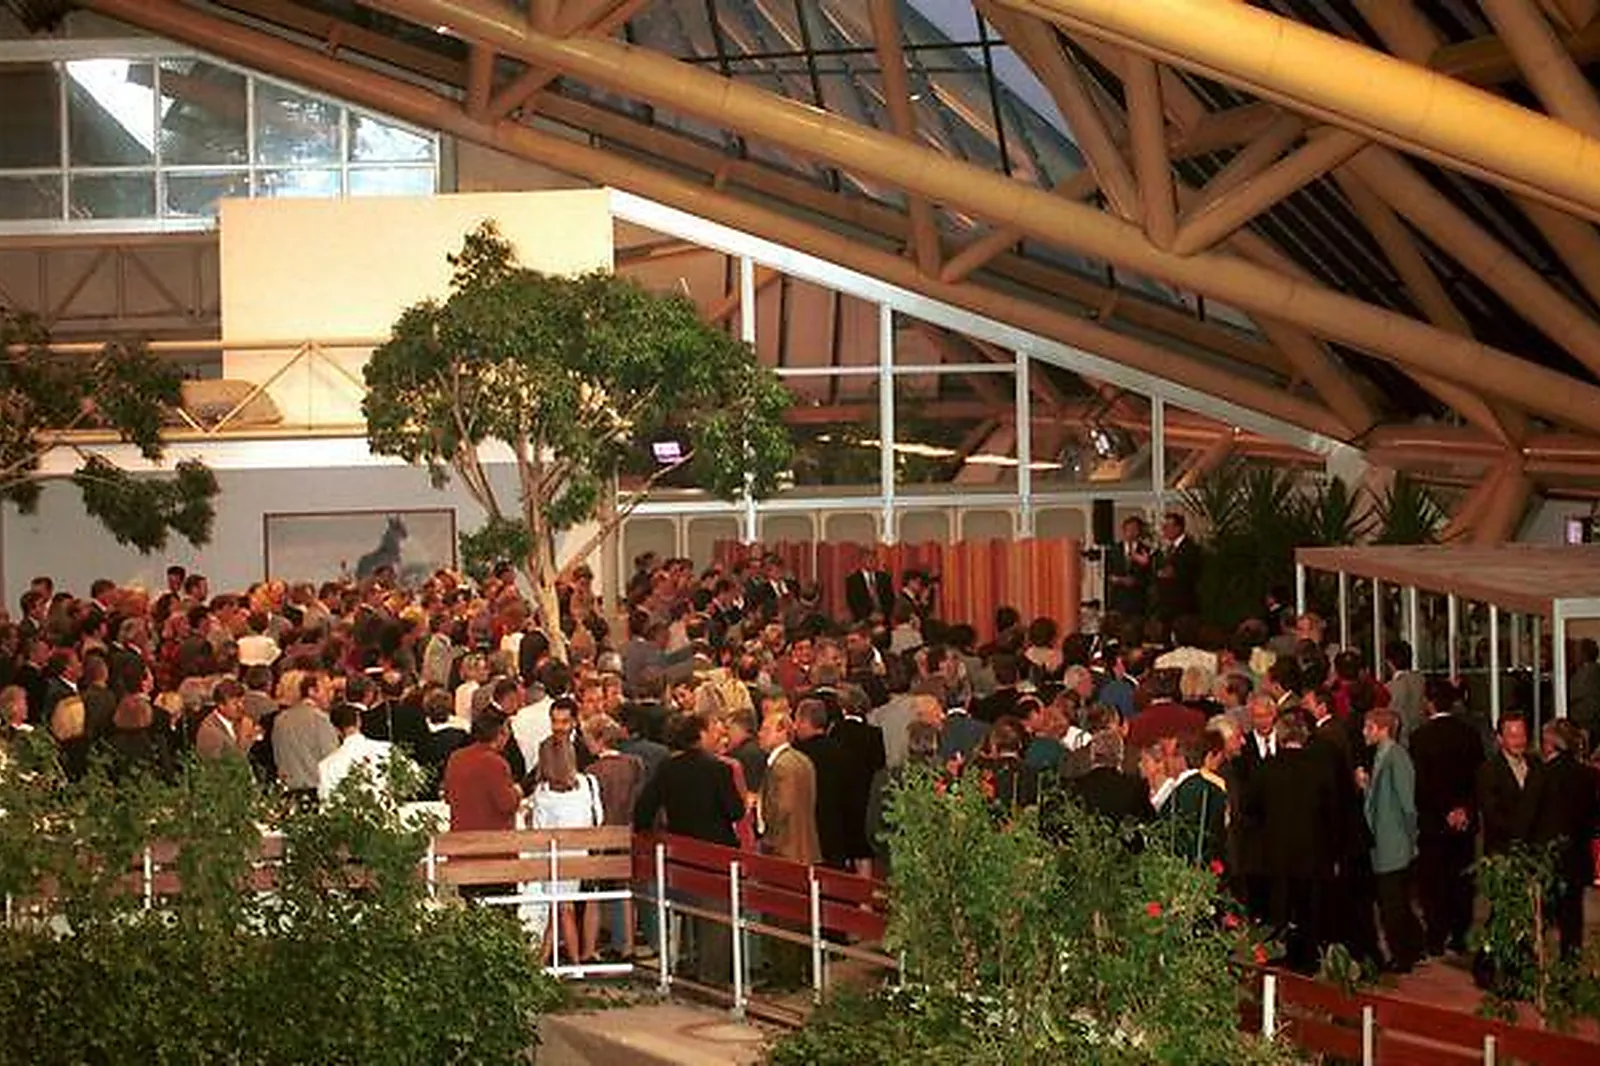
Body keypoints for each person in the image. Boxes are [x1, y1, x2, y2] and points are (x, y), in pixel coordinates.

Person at [633, 711, 744, 984]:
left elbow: (644, 808)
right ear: (700, 734)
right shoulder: (719, 769)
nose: (718, 734)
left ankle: (689, 963)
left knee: (687, 911)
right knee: (717, 917)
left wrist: (648, 833)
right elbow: (735, 811)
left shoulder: (668, 768)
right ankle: (713, 977)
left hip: (681, 854)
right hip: (717, 855)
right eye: (713, 729)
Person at [1246, 711, 1342, 973]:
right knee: (1310, 908)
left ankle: (1286, 954)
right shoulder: (1322, 768)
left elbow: (1251, 810)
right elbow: (1333, 812)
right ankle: (1310, 957)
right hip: (1314, 851)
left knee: (1282, 908)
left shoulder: (1267, 768)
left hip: (1277, 851)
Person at [1408, 676, 1484, 956]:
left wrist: (1443, 812)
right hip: (1464, 820)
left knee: (1433, 881)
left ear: (1428, 702)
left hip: (1433, 823)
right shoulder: (1470, 734)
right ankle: (1460, 934)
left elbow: (1422, 784)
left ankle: (1436, 935)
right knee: (1462, 878)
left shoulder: (1419, 738)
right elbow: (1479, 777)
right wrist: (1465, 809)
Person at [1358, 708, 1425, 974]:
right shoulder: (1383, 756)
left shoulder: (1396, 757)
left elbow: (1408, 804)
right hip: (1386, 842)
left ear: (1381, 729)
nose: (1364, 732)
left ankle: (1403, 954)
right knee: (1394, 900)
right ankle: (1412, 946)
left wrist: (1411, 838)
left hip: (1394, 843)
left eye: (1368, 727)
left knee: (1392, 903)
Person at [1526, 720, 1600, 960]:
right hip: (1577, 856)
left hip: (1546, 857)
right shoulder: (1588, 775)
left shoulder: (1541, 775)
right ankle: (1570, 963)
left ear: (1550, 744)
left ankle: (1536, 966)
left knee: (1540, 916)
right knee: (1572, 917)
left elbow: (1529, 816)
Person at [529, 739, 604, 966]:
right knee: (563, 906)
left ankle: (571, 961)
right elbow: (598, 819)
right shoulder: (588, 782)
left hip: (554, 858)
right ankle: (545, 958)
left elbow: (538, 830)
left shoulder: (542, 793)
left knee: (562, 908)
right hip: (579, 856)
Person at [582, 714, 644, 961]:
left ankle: (590, 949)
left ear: (599, 740)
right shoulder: (634, 764)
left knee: (593, 892)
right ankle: (628, 945)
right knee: (625, 890)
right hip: (626, 832)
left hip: (600, 837)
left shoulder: (592, 771)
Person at [1477, 714, 1538, 857]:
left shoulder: (1537, 766)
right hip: (1503, 854)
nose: (1519, 742)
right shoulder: (1488, 771)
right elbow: (1492, 814)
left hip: (1536, 853)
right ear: (1500, 739)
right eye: (1513, 737)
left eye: (1522, 736)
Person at [317, 702, 398, 802]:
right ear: (359, 722)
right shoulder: (387, 749)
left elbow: (327, 800)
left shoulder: (326, 766)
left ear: (336, 729)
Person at [1153, 512, 1201, 625]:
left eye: (1168, 526)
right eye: (1164, 526)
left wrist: (1171, 573)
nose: (1164, 529)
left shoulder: (1189, 548)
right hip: (1166, 603)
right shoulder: (1167, 548)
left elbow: (1189, 573)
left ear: (1178, 528)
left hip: (1182, 603)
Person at [1104, 515, 1151, 621]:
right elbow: (1108, 575)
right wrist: (1119, 580)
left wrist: (1135, 581)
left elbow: (1150, 577)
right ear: (1123, 530)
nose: (1131, 532)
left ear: (1139, 531)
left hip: (1138, 602)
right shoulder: (1113, 551)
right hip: (1118, 600)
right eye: (1129, 529)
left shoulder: (1146, 550)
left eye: (1135, 529)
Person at [844, 549, 894, 624]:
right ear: (861, 560)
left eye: (873, 558)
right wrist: (868, 617)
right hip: (863, 621)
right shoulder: (853, 580)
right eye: (867, 558)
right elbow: (853, 601)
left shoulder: (884, 578)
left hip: (883, 620)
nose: (871, 561)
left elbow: (890, 599)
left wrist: (884, 615)